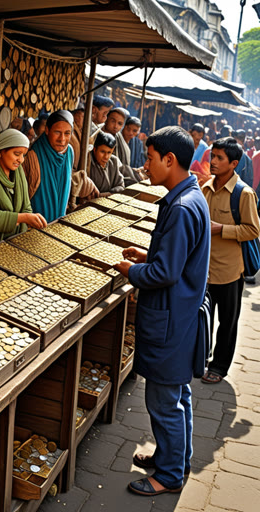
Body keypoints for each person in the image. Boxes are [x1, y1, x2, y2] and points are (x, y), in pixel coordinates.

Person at [114, 126, 210, 497]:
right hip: (179, 316)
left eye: (150, 158)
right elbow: (175, 260)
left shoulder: (183, 207)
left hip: (171, 319)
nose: (145, 165)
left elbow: (166, 273)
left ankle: (168, 476)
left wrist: (132, 270)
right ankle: (176, 458)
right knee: (178, 396)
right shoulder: (188, 197)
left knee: (163, 400)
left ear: (170, 160)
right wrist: (147, 255)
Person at [201, 137, 260, 383]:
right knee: (202, 316)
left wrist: (221, 229)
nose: (213, 161)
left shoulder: (243, 194)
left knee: (227, 322)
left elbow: (253, 230)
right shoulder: (205, 188)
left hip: (230, 271)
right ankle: (201, 357)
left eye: (219, 158)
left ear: (233, 163)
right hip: (204, 269)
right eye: (212, 156)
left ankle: (219, 367)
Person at [22, 110, 74, 223]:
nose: (62, 139)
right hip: (34, 226)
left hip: (59, 223)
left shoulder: (69, 152)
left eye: (67, 133)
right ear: (47, 130)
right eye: (57, 132)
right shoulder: (32, 156)